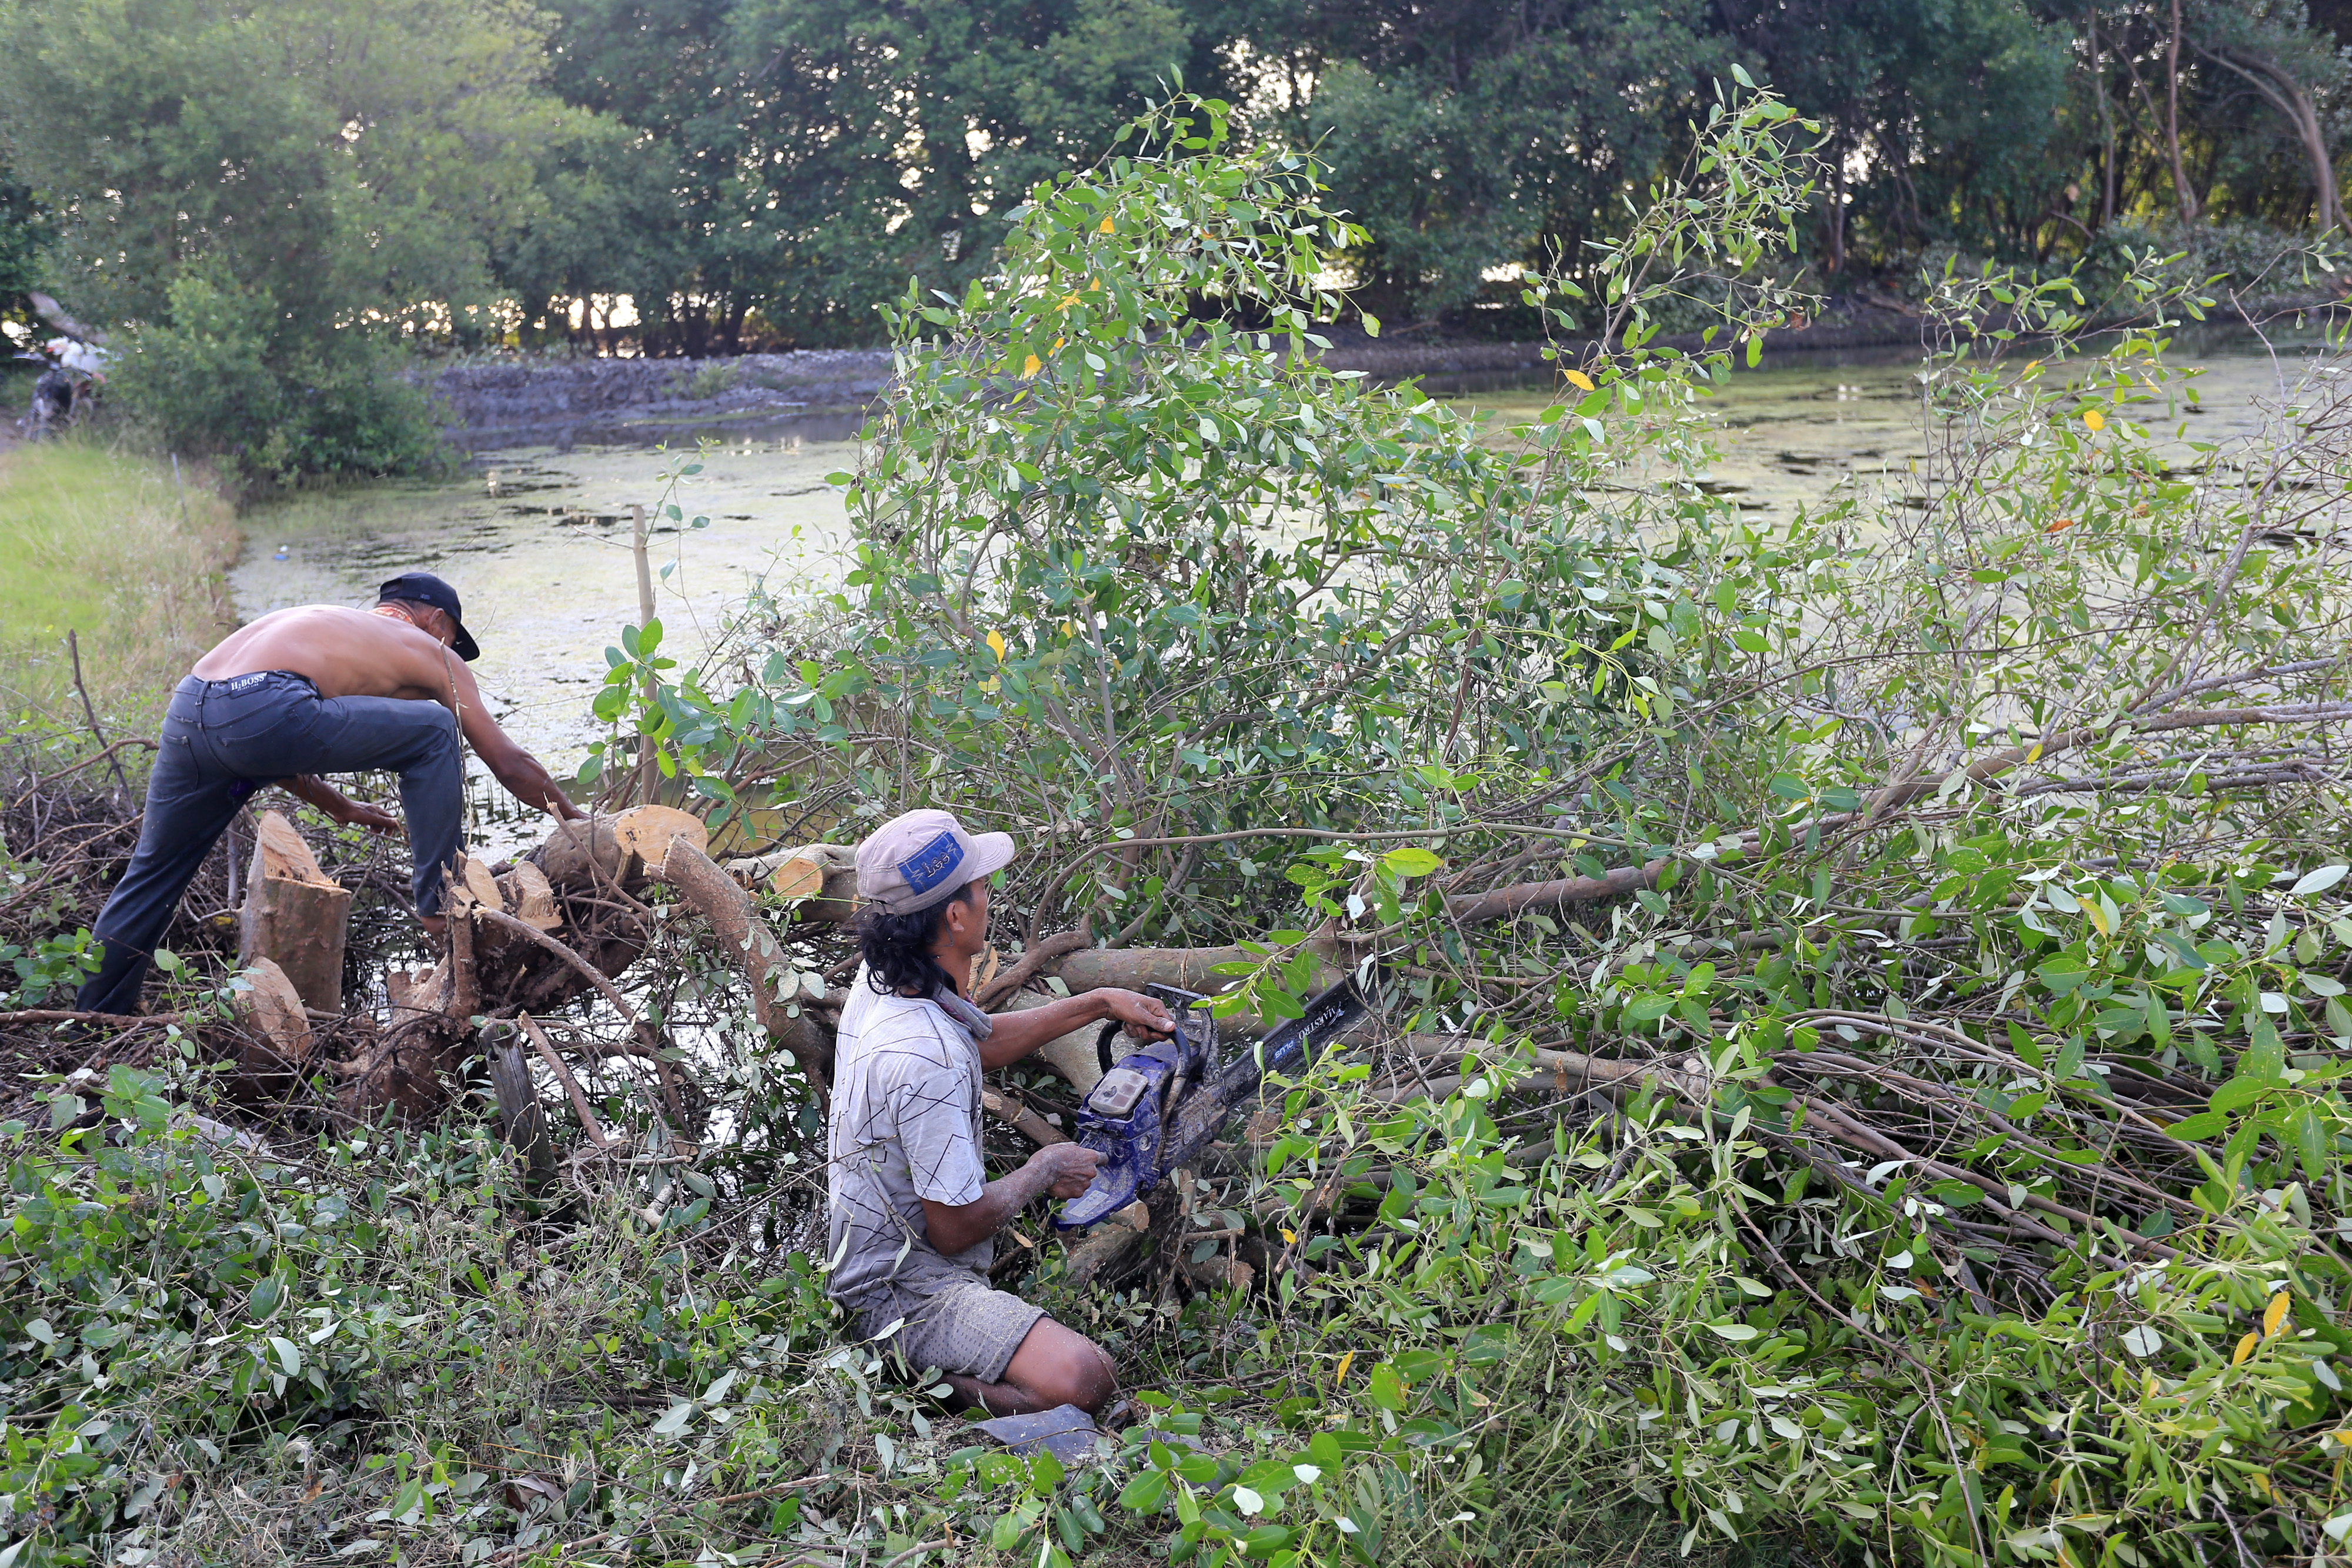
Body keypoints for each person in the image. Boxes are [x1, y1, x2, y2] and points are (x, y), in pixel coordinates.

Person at [74, 571, 584, 1017]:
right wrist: (579, 824)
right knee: (433, 727)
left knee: (150, 878)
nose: (449, 653)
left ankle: (92, 1023)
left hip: (191, 712)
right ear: (432, 621)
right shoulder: (426, 648)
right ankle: (437, 903)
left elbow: (257, 728)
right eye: (452, 639)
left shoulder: (328, 626)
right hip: (260, 709)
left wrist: (337, 805)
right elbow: (509, 763)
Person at [828, 808, 1174, 1417]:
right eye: (982, 887)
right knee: (1085, 1378)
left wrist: (1096, 1002)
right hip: (902, 1290)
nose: (991, 897)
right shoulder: (924, 1054)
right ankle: (899, 1368)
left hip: (875, 1258)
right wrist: (1043, 1170)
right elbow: (954, 1228)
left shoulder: (887, 979)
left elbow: (975, 1043)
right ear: (956, 915)